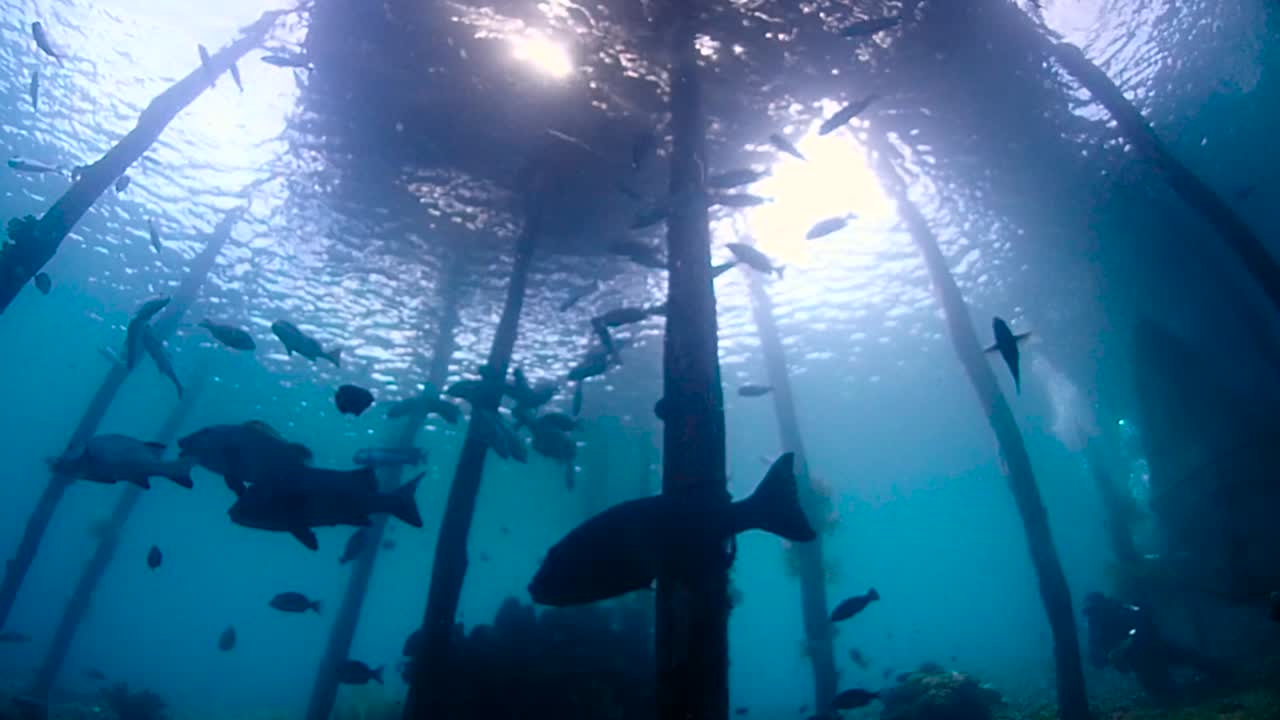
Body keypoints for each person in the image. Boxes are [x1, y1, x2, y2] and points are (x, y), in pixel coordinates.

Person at [1081, 591, 1226, 703]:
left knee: (1192, 657)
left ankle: (1223, 674)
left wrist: (1129, 640)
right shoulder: (1095, 629)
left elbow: (1143, 619)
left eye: (1096, 610)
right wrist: (1110, 655)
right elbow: (1096, 659)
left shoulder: (1121, 609)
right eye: (1090, 612)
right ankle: (1183, 691)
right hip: (1139, 662)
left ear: (1104, 604)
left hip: (1155, 647)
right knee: (1164, 694)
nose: (1094, 615)